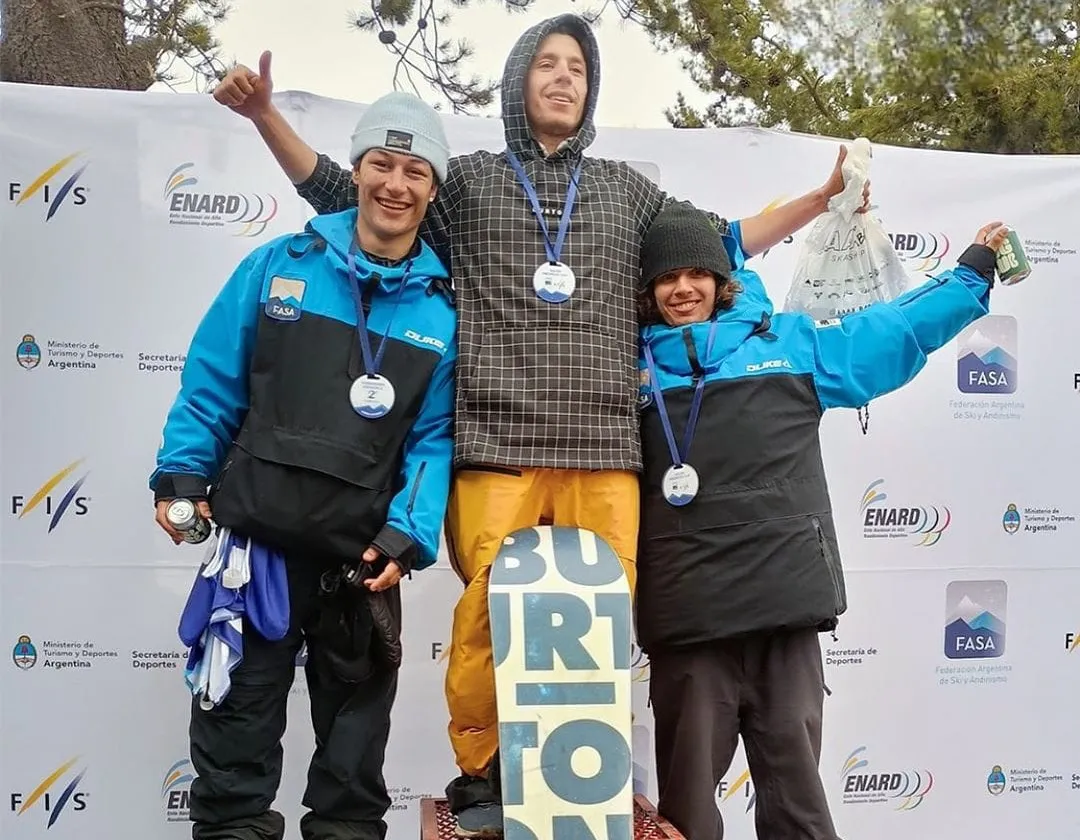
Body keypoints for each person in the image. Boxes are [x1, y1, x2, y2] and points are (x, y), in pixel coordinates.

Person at [210, 14, 867, 836]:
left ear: (591, 93)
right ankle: (484, 773)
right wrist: (268, 117)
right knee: (487, 616)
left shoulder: (630, 193)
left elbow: (719, 243)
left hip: (605, 453)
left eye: (578, 70)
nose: (563, 79)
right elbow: (353, 194)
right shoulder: (472, 182)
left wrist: (818, 199)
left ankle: (579, 778)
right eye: (547, 65)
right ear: (519, 80)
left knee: (602, 623)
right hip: (494, 446)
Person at [634, 202, 1012, 840]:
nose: (682, 289)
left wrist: (969, 276)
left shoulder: (787, 344)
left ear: (722, 280)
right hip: (689, 621)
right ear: (646, 290)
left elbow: (892, 333)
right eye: (666, 278)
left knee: (799, 810)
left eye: (698, 273)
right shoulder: (623, 369)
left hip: (785, 614)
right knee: (687, 817)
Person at [149, 91, 457, 840]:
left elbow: (434, 438)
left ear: (432, 189)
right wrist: (183, 477)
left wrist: (406, 535)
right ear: (355, 172)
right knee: (232, 747)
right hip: (257, 557)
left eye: (416, 170)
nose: (396, 183)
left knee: (353, 772)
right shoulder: (277, 267)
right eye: (382, 163)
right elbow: (215, 375)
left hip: (359, 566)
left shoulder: (441, 313)